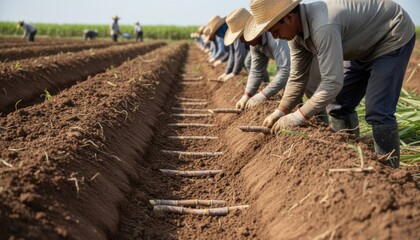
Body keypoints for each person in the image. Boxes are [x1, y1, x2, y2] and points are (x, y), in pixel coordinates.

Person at [244, 0, 415, 168]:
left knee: (378, 109)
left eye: (275, 30)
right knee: (338, 104)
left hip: (390, 35)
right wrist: (281, 111)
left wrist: (298, 116)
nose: (274, 36)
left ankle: (390, 171)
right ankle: (352, 155)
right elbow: (297, 77)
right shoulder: (295, 36)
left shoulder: (323, 25)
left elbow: (332, 82)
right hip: (362, 46)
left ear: (289, 18)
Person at [232, 9, 291, 110]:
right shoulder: (255, 44)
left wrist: (263, 95)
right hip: (293, 67)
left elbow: (286, 70)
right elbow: (256, 71)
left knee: (311, 90)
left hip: (308, 60)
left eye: (242, 37)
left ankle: (322, 124)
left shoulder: (273, 36)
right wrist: (247, 95)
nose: (242, 42)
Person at [218, 8, 250, 82]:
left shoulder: (238, 34)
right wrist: (227, 72)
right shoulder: (233, 33)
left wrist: (234, 73)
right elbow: (232, 53)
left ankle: (264, 83)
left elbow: (240, 54)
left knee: (248, 62)